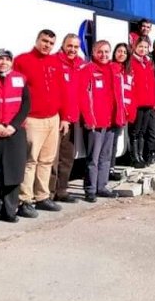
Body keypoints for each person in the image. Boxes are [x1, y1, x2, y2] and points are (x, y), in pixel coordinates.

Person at [13, 29, 68, 218]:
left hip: (53, 118)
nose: (47, 45)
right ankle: (24, 200)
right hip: (32, 119)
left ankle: (42, 196)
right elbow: (16, 92)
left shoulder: (55, 62)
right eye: (44, 41)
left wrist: (65, 117)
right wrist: (20, 117)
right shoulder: (22, 61)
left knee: (46, 160)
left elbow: (62, 90)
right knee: (30, 161)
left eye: (51, 43)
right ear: (37, 40)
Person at [0, 49, 30, 225]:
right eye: (0, 59)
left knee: (13, 172)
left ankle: (10, 211)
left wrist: (13, 126)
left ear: (12, 62)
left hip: (14, 131)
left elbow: (26, 104)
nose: (3, 62)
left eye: (7, 59)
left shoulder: (21, 78)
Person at [78, 40, 118, 202]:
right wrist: (88, 117)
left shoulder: (113, 69)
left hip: (111, 121)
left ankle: (102, 186)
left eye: (107, 52)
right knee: (93, 158)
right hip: (95, 121)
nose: (104, 55)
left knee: (106, 156)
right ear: (93, 53)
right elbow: (83, 96)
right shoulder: (88, 70)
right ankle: (90, 189)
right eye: (100, 52)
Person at [50, 33, 85, 203]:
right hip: (57, 118)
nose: (72, 49)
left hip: (72, 119)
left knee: (67, 156)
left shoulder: (80, 65)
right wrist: (63, 116)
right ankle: (48, 194)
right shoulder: (54, 62)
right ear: (63, 45)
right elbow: (56, 93)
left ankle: (61, 191)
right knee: (52, 158)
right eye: (69, 46)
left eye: (76, 47)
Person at [130, 37, 155, 168]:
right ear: (135, 47)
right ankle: (135, 158)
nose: (143, 49)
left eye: (146, 47)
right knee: (135, 131)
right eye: (140, 46)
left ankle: (140, 156)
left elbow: (152, 84)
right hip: (137, 103)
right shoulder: (131, 62)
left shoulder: (148, 63)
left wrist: (153, 101)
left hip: (148, 102)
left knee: (143, 131)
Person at [110, 42, 133, 178]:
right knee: (109, 144)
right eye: (119, 51)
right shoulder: (111, 68)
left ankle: (111, 169)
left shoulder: (127, 71)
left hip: (122, 113)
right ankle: (107, 170)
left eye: (124, 52)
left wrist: (128, 110)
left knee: (114, 143)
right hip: (112, 112)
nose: (122, 54)